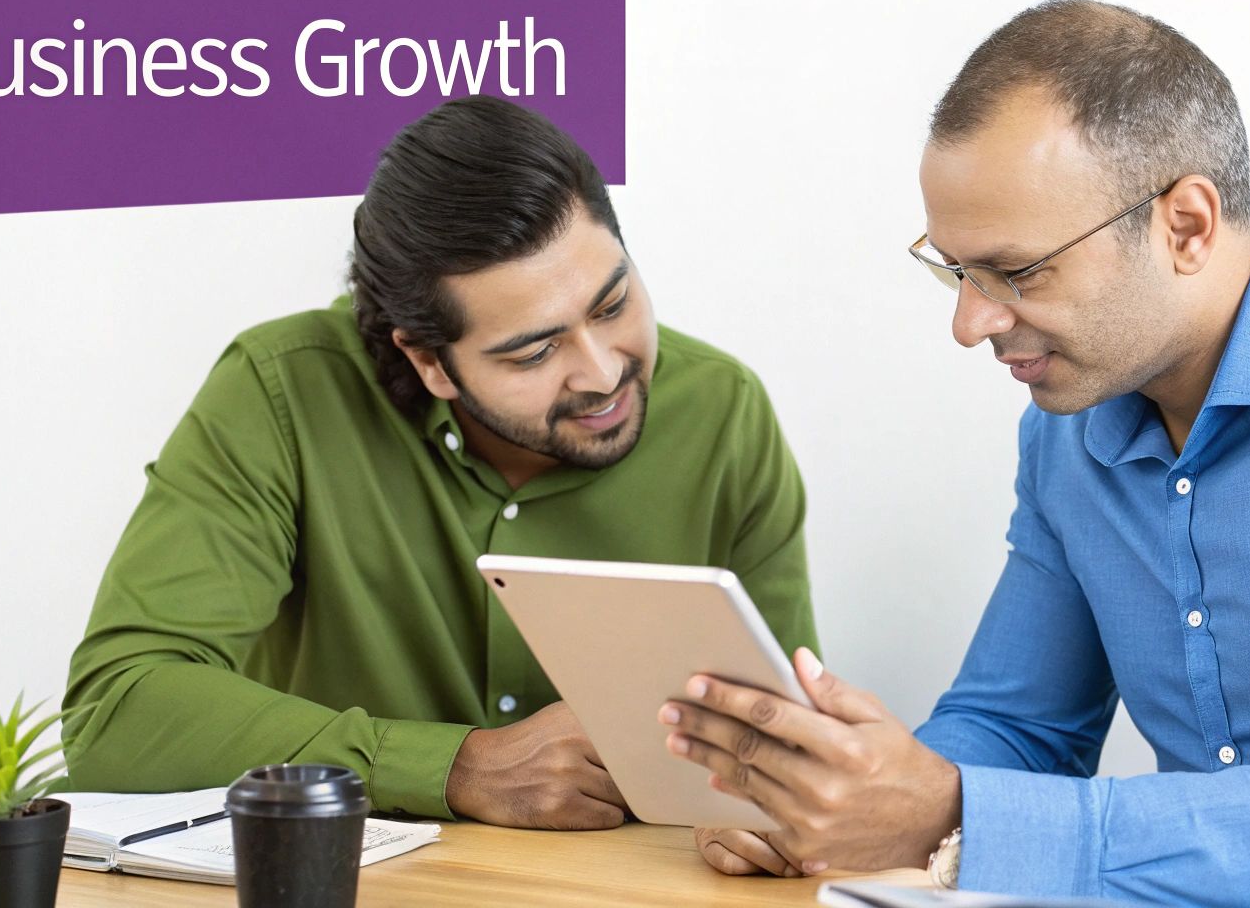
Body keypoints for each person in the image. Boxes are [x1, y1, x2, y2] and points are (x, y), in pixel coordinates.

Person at [668, 0, 1250, 906]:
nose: (970, 323)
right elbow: (1018, 729)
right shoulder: (1068, 431)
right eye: (955, 270)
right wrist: (834, 801)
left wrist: (949, 816)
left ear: (1187, 226)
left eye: (1018, 270)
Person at [63, 96, 817, 830]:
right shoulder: (282, 390)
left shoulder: (723, 413)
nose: (600, 372)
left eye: (613, 305)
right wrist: (456, 767)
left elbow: (786, 743)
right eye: (535, 350)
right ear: (430, 363)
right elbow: (118, 709)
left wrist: (765, 809)